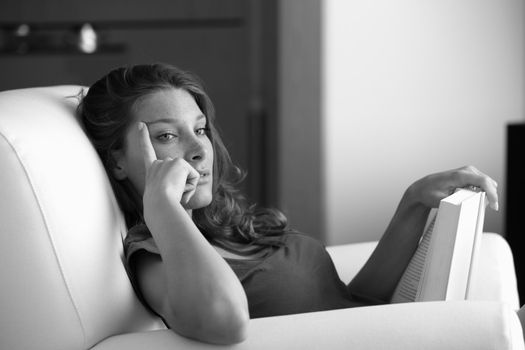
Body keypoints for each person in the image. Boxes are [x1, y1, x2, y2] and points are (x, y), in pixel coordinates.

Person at [79, 63, 504, 345]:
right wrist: (164, 205)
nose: (199, 150)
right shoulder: (153, 253)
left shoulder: (221, 228)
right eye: (166, 136)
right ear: (118, 159)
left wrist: (413, 202)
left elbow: (348, 305)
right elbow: (224, 320)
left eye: (200, 129)